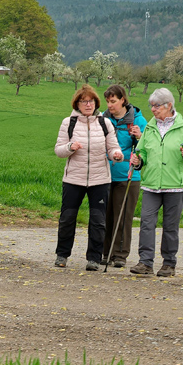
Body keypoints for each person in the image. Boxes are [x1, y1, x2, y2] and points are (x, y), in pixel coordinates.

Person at [129, 88, 183, 277]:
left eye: (157, 106)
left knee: (171, 226)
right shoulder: (151, 126)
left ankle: (169, 264)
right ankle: (145, 262)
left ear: (169, 105)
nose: (153, 109)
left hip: (176, 184)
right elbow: (143, 150)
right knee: (146, 222)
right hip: (151, 182)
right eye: (151, 106)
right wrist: (139, 160)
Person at [53, 84, 124, 271]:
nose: (88, 105)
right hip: (73, 180)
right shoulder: (68, 123)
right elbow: (59, 151)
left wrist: (117, 154)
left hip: (100, 180)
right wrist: (70, 147)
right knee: (67, 218)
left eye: (91, 101)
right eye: (84, 101)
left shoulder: (104, 123)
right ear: (77, 104)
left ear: (96, 103)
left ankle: (93, 258)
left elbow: (113, 147)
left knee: (98, 221)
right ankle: (62, 255)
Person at [101, 84, 146, 268]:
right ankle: (105, 252)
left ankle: (120, 254)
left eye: (113, 101)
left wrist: (139, 136)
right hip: (104, 174)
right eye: (107, 102)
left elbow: (146, 148)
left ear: (123, 100)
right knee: (105, 217)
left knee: (123, 217)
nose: (110, 105)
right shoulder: (102, 119)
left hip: (128, 176)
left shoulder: (138, 121)